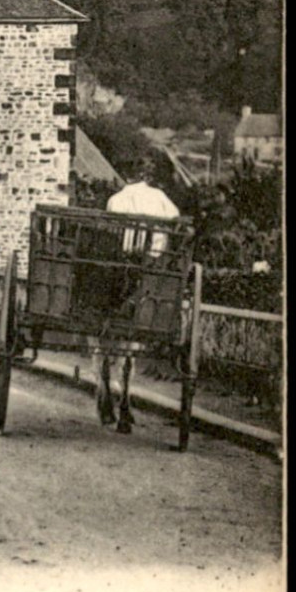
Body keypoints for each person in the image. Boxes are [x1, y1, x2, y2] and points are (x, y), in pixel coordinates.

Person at [97, 159, 180, 432]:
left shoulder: (115, 199)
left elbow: (109, 232)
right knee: (130, 347)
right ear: (147, 177)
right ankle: (124, 403)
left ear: (128, 177)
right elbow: (176, 220)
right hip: (150, 272)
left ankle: (106, 395)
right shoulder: (160, 198)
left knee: (106, 340)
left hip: (119, 270)